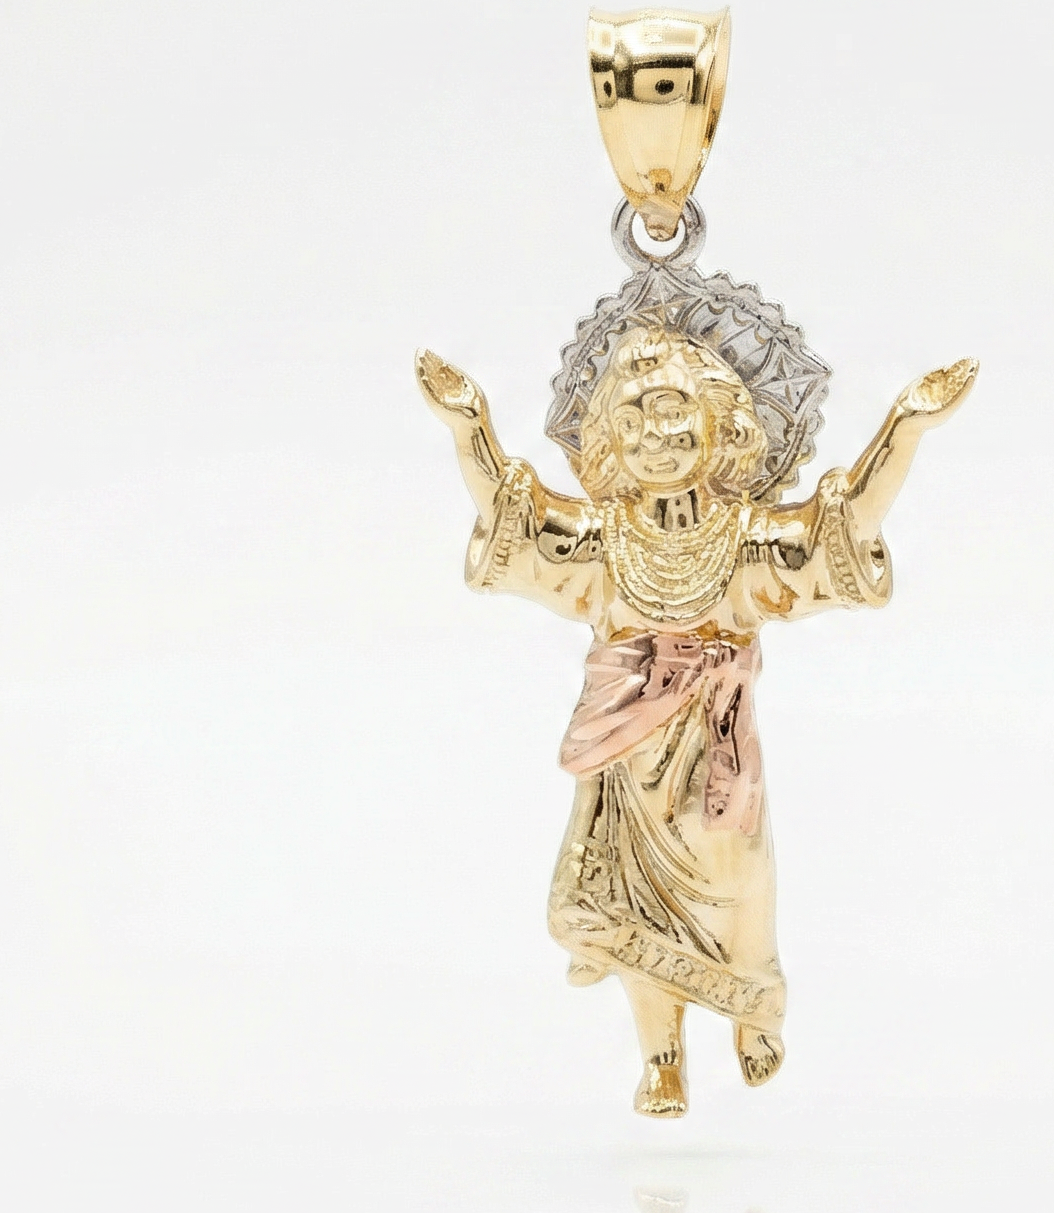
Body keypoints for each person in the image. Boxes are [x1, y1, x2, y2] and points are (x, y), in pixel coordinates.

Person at [417, 325, 974, 1115]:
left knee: (738, 886)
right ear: (608, 440)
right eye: (633, 419)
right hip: (627, 761)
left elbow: (839, 531)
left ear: (721, 427)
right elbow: (520, 520)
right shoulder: (603, 543)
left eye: (674, 412)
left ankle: (753, 1009)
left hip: (720, 757)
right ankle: (663, 1058)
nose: (655, 438)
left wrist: (904, 428)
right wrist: (468, 425)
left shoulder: (743, 543)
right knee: (637, 911)